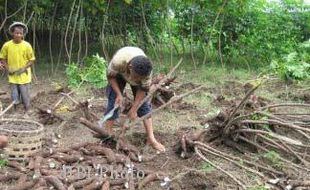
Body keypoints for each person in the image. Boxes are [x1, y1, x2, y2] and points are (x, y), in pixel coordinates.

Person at [104, 46, 165, 152]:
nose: (136, 80)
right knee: (113, 101)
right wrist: (119, 94)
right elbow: (110, 77)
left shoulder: (146, 73)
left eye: (139, 79)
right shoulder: (118, 61)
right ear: (130, 67)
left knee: (144, 106)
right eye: (136, 77)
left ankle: (151, 138)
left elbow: (142, 89)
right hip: (118, 74)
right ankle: (108, 134)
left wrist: (134, 109)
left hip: (136, 74)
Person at [0, 22, 35, 113]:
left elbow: (32, 60)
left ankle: (27, 110)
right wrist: (8, 68)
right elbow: (3, 58)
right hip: (12, 75)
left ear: (23, 34)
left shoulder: (27, 45)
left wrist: (24, 68)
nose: (18, 35)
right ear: (12, 33)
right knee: (14, 94)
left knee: (25, 94)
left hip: (24, 75)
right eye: (16, 33)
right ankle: (15, 111)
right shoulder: (7, 45)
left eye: (20, 33)